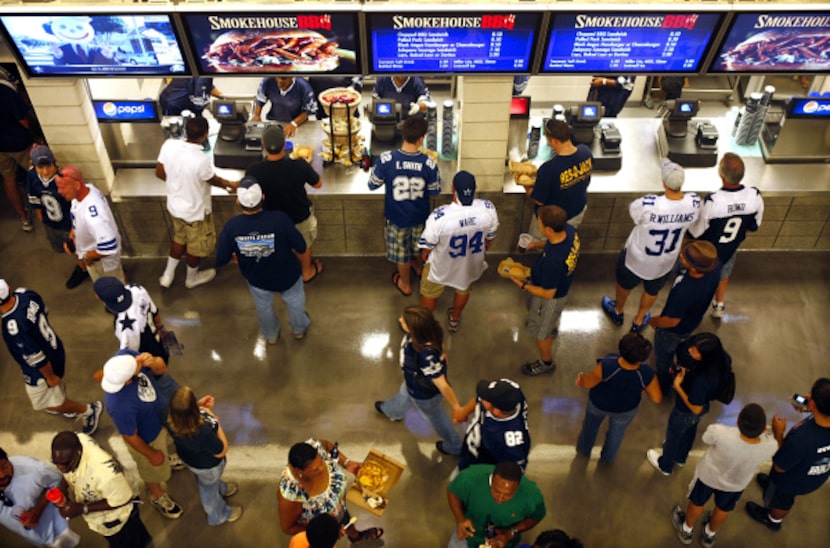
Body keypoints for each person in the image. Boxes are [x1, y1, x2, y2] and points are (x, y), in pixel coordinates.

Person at [600, 158, 700, 332]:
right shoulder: (694, 203)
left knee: (624, 284)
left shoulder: (650, 204)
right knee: (652, 291)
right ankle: (639, 320)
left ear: (663, 182)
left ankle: (618, 310)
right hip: (664, 261)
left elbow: (634, 213)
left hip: (637, 257)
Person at [216, 176, 312, 343]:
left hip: (257, 277)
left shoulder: (232, 226)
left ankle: (271, 335)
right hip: (287, 274)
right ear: (263, 198)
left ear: (238, 202)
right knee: (295, 302)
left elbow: (222, 257)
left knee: (263, 307)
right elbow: (301, 246)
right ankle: (299, 329)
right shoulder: (280, 219)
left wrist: (235, 256)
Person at [0, 278, 102, 435]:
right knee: (57, 389)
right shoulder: (25, 294)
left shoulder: (12, 327)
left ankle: (88, 410)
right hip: (54, 349)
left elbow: (36, 357)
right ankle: (64, 402)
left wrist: (50, 377)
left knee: (46, 404)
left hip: (42, 368)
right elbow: (44, 311)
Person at [671, 403, 778, 547]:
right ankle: (709, 534)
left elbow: (705, 439)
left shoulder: (720, 433)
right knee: (723, 508)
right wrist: (778, 432)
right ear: (764, 429)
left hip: (708, 478)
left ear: (737, 422)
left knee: (697, 502)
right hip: (736, 484)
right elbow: (776, 444)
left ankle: (686, 529)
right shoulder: (769, 446)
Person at [156, 116, 238, 289]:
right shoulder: (201, 160)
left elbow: (159, 172)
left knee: (179, 238)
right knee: (195, 247)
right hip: (195, 214)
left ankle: (167, 275)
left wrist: (177, 183)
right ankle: (191, 279)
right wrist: (230, 185)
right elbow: (212, 179)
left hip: (174, 207)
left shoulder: (169, 145)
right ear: (205, 134)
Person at [100, 352, 183, 519]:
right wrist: (151, 454)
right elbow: (130, 436)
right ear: (129, 379)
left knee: (164, 448)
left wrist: (153, 361)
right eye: (137, 365)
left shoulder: (125, 358)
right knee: (151, 470)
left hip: (159, 421)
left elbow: (161, 368)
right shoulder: (119, 405)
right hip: (148, 439)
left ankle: (166, 458)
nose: (138, 360)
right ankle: (156, 494)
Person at [375, 305, 464, 455]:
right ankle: (392, 410)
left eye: (403, 321)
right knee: (405, 393)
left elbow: (441, 383)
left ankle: (455, 445)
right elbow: (440, 343)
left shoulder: (424, 355)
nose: (399, 320)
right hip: (413, 380)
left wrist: (457, 406)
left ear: (414, 327)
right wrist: (441, 354)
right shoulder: (432, 328)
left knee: (436, 417)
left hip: (424, 394)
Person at [745, 377, 830, 532]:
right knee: (778, 489)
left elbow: (779, 466)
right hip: (812, 475)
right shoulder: (814, 431)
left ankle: (773, 520)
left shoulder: (802, 439)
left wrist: (778, 433)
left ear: (814, 404)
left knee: (780, 501)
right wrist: (813, 407)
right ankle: (771, 487)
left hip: (789, 481)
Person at [369, 116, 441, 297]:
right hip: (420, 216)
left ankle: (405, 284)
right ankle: (418, 267)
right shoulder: (429, 163)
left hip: (396, 218)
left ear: (403, 134)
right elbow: (435, 191)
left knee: (402, 254)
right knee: (418, 247)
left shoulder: (386, 159)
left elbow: (372, 184)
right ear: (421, 138)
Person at [419, 171, 499, 333]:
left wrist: (424, 256)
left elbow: (427, 247)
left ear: (452, 189)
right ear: (475, 189)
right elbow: (489, 238)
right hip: (470, 263)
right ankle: (454, 320)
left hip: (442, 265)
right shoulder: (487, 208)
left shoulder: (439, 215)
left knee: (429, 293)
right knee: (463, 289)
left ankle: (424, 325)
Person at [687, 152, 764, 319]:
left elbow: (696, 232)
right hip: (730, 247)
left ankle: (693, 306)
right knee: (724, 273)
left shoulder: (713, 201)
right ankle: (719, 304)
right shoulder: (755, 196)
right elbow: (754, 225)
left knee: (698, 275)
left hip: (708, 250)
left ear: (721, 175)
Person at [245, 125, 324, 281]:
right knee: (303, 243)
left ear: (263, 144)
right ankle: (306, 272)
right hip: (298, 216)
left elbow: (247, 191)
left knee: (279, 244)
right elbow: (318, 184)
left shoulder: (254, 170)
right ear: (285, 144)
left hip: (271, 220)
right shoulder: (299, 166)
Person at [510, 205, 580, 377]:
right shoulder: (569, 231)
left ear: (548, 229)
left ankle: (546, 362)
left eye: (539, 223)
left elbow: (548, 294)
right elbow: (551, 243)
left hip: (551, 298)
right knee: (543, 319)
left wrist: (522, 285)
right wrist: (535, 245)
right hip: (558, 284)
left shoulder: (554, 263)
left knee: (541, 333)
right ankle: (551, 326)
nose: (538, 225)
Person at [647, 333, 730, 477]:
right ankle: (681, 457)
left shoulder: (701, 381)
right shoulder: (723, 359)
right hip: (703, 406)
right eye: (693, 346)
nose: (690, 350)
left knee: (673, 436)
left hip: (685, 411)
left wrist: (678, 386)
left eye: (696, 351)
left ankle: (665, 465)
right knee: (689, 431)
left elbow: (695, 408)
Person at [50, 431, 151, 548]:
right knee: (137, 534)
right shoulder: (77, 440)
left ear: (79, 451)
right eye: (56, 463)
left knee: (125, 541)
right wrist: (63, 488)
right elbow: (65, 471)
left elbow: (124, 499)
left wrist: (83, 508)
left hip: (117, 517)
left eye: (65, 464)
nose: (60, 468)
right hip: (106, 500)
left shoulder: (105, 474)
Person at [575, 333, 662, 464]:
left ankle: (583, 450)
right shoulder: (646, 373)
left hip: (598, 404)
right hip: (625, 410)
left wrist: (581, 378)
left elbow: (588, 383)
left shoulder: (608, 363)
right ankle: (607, 458)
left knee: (590, 427)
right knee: (616, 434)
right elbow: (656, 399)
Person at [277, 439, 382, 544]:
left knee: (346, 520)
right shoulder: (291, 493)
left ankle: (356, 537)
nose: (322, 468)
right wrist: (327, 533)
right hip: (323, 529)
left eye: (321, 461)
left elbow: (327, 445)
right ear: (300, 472)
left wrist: (346, 463)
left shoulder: (315, 447)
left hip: (339, 509)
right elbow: (288, 528)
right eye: (315, 469)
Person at [648, 240, 720, 392]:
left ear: (693, 269)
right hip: (692, 322)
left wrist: (653, 321)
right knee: (683, 349)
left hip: (672, 331)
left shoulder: (685, 291)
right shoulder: (715, 267)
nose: (681, 256)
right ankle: (681, 370)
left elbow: (672, 321)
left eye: (684, 258)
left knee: (664, 357)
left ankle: (664, 383)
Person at [167, 386, 242, 526]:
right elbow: (221, 450)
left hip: (192, 461)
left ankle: (221, 488)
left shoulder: (172, 421)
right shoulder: (202, 433)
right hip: (209, 466)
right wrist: (216, 422)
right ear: (193, 413)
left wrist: (200, 406)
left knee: (207, 482)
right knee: (208, 491)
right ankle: (218, 515)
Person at [26, 145, 89, 289]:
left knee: (78, 249)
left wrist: (74, 226)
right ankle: (82, 267)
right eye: (40, 167)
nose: (45, 171)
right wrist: (43, 220)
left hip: (68, 224)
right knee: (66, 248)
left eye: (48, 166)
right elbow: (35, 200)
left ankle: (84, 268)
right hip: (51, 223)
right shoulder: (31, 176)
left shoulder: (63, 178)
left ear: (54, 161)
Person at [447, 461, 546, 548]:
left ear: (518, 486)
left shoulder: (532, 496)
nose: (500, 498)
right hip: (467, 537)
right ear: (491, 478)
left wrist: (511, 532)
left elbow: (536, 517)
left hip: (505, 544)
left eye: (508, 494)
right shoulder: (470, 478)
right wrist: (460, 519)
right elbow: (453, 492)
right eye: (496, 491)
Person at [55, 165, 125, 283]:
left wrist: (87, 257)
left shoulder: (94, 217)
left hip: (102, 264)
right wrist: (74, 233)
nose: (59, 191)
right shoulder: (87, 189)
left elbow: (109, 247)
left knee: (112, 293)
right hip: (93, 254)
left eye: (62, 187)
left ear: (76, 185)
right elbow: (78, 215)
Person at [0, 446, 80, 547]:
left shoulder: (35, 469)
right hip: (31, 536)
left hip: (55, 533)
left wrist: (38, 510)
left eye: (4, 467)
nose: (2, 475)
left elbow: (59, 480)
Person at [528, 119, 592, 234]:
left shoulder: (549, 169)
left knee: (543, 244)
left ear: (554, 141)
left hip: (551, 220)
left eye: (547, 139)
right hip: (576, 212)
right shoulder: (586, 152)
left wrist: (525, 184)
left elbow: (538, 200)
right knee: (565, 240)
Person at [456, 379, 531, 472]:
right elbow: (479, 398)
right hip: (470, 451)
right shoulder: (513, 393)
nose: (482, 398)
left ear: (497, 411)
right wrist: (464, 411)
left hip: (484, 466)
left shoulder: (511, 445)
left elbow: (513, 472)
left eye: (486, 398)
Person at [0, 73, 34, 232]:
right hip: (19, 143)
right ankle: (51, 211)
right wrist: (34, 137)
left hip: (1, 149)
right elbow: (23, 119)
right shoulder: (5, 90)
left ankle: (24, 218)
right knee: (39, 176)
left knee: (9, 180)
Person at [251, 77, 317, 138]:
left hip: (297, 123)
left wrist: (293, 123)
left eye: (284, 79)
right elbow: (260, 99)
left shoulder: (303, 86)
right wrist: (257, 115)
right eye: (277, 77)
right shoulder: (267, 80)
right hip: (274, 120)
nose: (280, 81)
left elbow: (309, 110)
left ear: (291, 77)